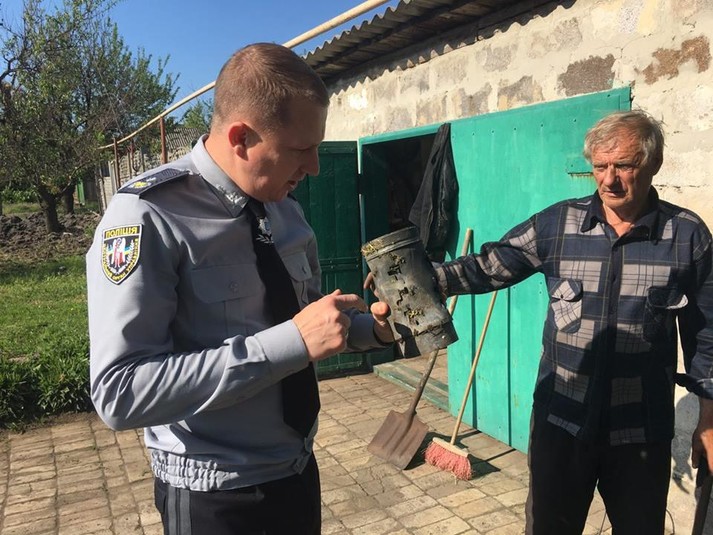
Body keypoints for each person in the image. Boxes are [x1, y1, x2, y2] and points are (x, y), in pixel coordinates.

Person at [86, 43, 392, 535]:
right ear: (241, 138)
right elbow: (120, 393)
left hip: (297, 472)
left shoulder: (286, 210)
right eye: (301, 149)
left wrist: (371, 330)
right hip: (214, 497)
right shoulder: (148, 216)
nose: (314, 167)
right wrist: (292, 341)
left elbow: (306, 321)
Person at [432, 110, 713, 534]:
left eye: (624, 165)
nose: (609, 180)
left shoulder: (687, 235)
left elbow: (707, 333)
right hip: (561, 423)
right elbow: (488, 265)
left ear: (653, 163)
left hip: (639, 430)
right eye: (600, 166)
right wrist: (421, 279)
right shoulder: (557, 224)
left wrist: (709, 417)